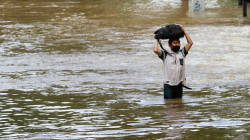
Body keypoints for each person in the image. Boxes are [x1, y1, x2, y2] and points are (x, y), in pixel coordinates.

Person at [153, 24, 193, 99]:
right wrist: (157, 40)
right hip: (168, 86)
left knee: (180, 107)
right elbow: (155, 50)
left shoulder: (182, 53)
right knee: (169, 106)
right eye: (175, 43)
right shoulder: (165, 54)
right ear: (170, 45)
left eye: (178, 43)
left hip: (179, 85)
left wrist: (183, 30)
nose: (177, 45)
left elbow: (190, 43)